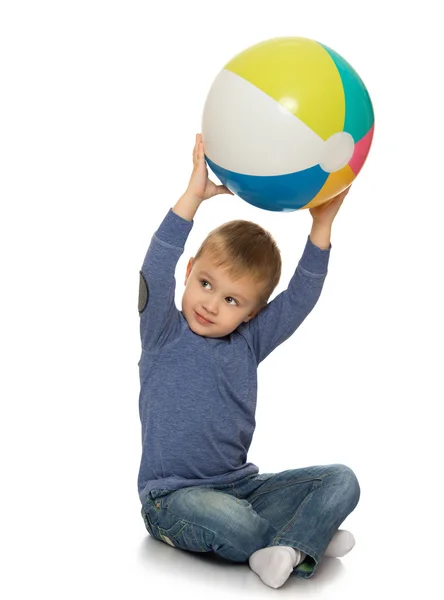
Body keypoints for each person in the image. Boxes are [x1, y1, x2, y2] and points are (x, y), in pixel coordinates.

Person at [137, 133, 360, 589]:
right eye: (205, 283)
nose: (212, 305)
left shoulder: (249, 342)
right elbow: (153, 270)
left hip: (245, 488)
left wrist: (321, 226)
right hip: (172, 499)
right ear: (189, 268)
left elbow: (299, 299)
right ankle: (304, 539)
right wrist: (192, 198)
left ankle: (291, 544)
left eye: (232, 299)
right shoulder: (162, 332)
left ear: (253, 312)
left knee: (342, 480)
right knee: (226, 519)